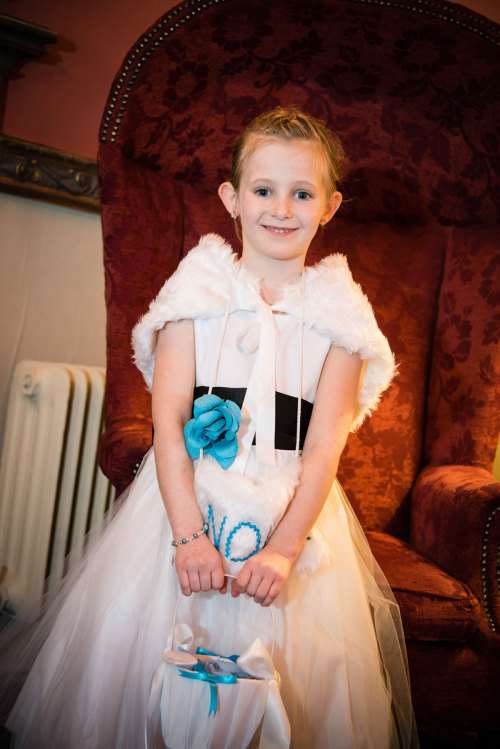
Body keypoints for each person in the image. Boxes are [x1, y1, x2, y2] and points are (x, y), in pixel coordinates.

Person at [0, 107, 417, 748]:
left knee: (289, 692)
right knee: (147, 672)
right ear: (232, 197)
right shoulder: (194, 299)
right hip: (186, 507)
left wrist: (283, 549)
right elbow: (168, 425)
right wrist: (189, 536)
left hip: (290, 513)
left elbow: (324, 448)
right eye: (264, 189)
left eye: (302, 193)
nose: (282, 208)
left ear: (330, 206)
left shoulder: (341, 323)